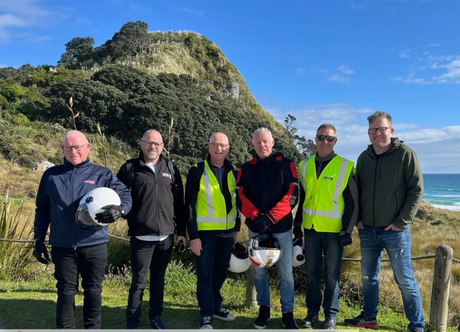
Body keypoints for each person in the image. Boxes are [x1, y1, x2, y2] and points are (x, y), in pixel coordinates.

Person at [33, 130, 132, 329]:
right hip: (63, 243)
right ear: (62, 149)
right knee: (65, 290)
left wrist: (120, 210)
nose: (73, 151)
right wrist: (38, 240)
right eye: (69, 147)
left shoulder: (102, 173)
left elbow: (126, 196)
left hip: (94, 243)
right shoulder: (51, 175)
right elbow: (42, 209)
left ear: (87, 147)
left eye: (78, 146)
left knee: (93, 289)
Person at [344, 111, 425, 332]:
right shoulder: (364, 157)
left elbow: (416, 190)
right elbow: (357, 190)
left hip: (395, 231)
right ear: (368, 132)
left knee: (404, 278)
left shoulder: (405, 155)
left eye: (381, 129)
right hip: (367, 230)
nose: (377, 133)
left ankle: (417, 324)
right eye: (373, 130)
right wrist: (358, 219)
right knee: (368, 277)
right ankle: (369, 317)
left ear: (391, 130)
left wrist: (402, 221)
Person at [116, 129, 186, 329]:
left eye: (156, 143)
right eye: (148, 142)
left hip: (166, 237)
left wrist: (181, 233)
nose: (152, 146)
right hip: (140, 236)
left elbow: (178, 204)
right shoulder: (129, 168)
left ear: (162, 146)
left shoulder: (171, 168)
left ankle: (155, 317)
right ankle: (132, 321)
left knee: (158, 279)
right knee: (138, 281)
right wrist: (130, 217)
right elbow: (117, 198)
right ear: (141, 143)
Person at [294, 123, 358, 329]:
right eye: (321, 137)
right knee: (312, 274)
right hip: (310, 229)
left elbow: (353, 202)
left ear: (335, 141)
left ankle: (330, 316)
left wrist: (346, 231)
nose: (325, 141)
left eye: (329, 138)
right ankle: (311, 313)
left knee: (332, 276)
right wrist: (297, 225)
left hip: (333, 232)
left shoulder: (346, 166)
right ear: (315, 139)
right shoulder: (304, 165)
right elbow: (302, 197)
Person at [236, 127, 299, 329]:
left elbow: (292, 194)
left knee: (286, 273)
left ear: (272, 142)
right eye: (257, 142)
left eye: (265, 141)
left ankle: (287, 312)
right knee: (260, 273)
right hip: (256, 228)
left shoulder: (287, 164)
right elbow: (240, 195)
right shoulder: (245, 168)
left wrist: (270, 218)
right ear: (253, 145)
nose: (262, 145)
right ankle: (264, 309)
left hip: (281, 228)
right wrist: (256, 217)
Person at [185, 132, 241, 329]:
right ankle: (206, 314)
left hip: (227, 233)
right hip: (205, 234)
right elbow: (189, 205)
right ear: (208, 146)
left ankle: (216, 306)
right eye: (215, 145)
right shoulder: (197, 170)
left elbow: (237, 202)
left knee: (220, 272)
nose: (219, 149)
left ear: (228, 147)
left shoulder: (234, 171)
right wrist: (193, 236)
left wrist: (237, 229)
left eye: (223, 145)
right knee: (205, 274)